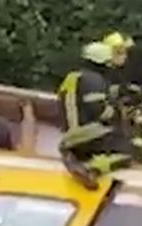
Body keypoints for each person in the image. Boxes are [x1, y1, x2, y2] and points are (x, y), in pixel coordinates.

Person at [56, 41, 133, 188]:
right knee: (127, 152)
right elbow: (99, 111)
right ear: (101, 63)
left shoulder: (74, 77)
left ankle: (76, 156)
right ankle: (92, 170)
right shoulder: (94, 79)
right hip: (87, 133)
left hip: (69, 136)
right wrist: (117, 111)